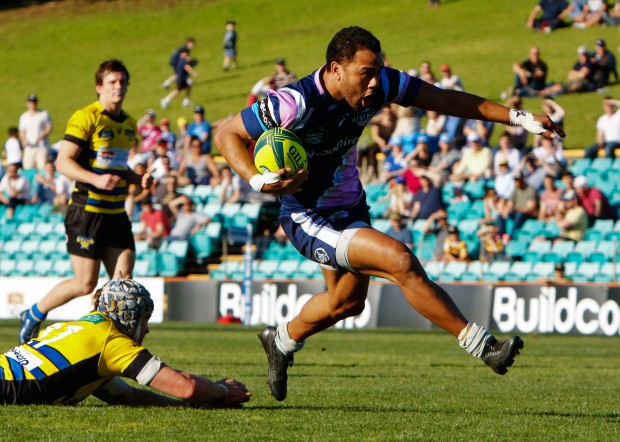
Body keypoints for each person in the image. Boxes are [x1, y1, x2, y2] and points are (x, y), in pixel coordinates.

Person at [214, 26, 564, 401]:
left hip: (350, 206)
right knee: (399, 259)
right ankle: (484, 346)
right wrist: (257, 181)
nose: (373, 82)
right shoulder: (293, 102)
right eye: (365, 73)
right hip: (308, 216)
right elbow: (226, 134)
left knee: (346, 302)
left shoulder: (383, 84)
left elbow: (447, 101)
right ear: (336, 69)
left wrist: (520, 118)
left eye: (377, 70)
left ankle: (280, 340)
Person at [18, 59, 154, 345]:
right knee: (85, 284)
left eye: (123, 82)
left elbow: (118, 167)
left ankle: (112, 344)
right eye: (112, 82)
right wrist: (95, 179)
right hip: (87, 212)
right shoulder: (86, 117)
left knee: (124, 280)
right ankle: (34, 312)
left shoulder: (129, 124)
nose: (119, 87)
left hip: (116, 213)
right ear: (99, 87)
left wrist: (137, 179)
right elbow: (64, 162)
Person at [4, 279, 251, 407]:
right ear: (129, 316)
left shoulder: (84, 328)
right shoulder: (111, 341)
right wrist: (222, 392)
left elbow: (128, 396)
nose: (147, 329)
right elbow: (184, 387)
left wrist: (198, 401)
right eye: (145, 321)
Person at [19, 93, 52, 171]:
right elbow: (22, 131)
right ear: (27, 104)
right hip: (29, 147)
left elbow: (49, 128)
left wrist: (41, 137)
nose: (32, 105)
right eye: (30, 103)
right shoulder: (24, 116)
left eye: (34, 103)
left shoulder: (43, 114)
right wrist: (24, 139)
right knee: (28, 168)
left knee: (42, 168)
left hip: (41, 146)